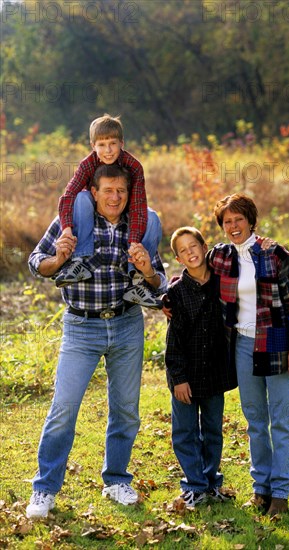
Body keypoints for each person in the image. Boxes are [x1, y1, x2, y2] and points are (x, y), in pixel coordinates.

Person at [26, 164, 167, 519]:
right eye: (108, 191)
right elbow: (35, 261)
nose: (115, 198)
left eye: (121, 191)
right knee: (64, 408)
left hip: (126, 324)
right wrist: (59, 258)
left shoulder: (141, 225)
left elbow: (159, 283)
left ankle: (117, 479)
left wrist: (147, 271)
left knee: (125, 410)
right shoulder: (73, 221)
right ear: (93, 191)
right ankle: (44, 489)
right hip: (81, 328)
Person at [208, 193, 289, 517]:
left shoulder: (275, 253)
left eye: (239, 219)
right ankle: (260, 488)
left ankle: (280, 493)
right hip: (242, 344)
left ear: (251, 220)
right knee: (254, 421)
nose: (233, 226)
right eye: (227, 221)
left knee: (281, 421)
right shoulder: (221, 256)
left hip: (276, 341)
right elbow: (196, 277)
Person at [55, 113, 162, 309]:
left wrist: (134, 242)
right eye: (102, 145)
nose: (108, 150)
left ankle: (136, 280)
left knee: (153, 217)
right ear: (93, 146)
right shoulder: (87, 164)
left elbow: (138, 206)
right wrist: (67, 228)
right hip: (95, 208)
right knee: (81, 197)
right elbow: (68, 196)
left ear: (122, 143)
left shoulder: (134, 166)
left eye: (112, 143)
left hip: (123, 208)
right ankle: (80, 262)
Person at [165, 227, 237, 507]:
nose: (190, 253)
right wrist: (178, 378)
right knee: (184, 432)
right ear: (179, 259)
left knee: (212, 430)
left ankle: (210, 483)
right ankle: (194, 485)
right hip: (185, 375)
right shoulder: (177, 292)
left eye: (193, 246)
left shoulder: (223, 282)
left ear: (204, 247)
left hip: (215, 372)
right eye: (183, 250)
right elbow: (174, 342)